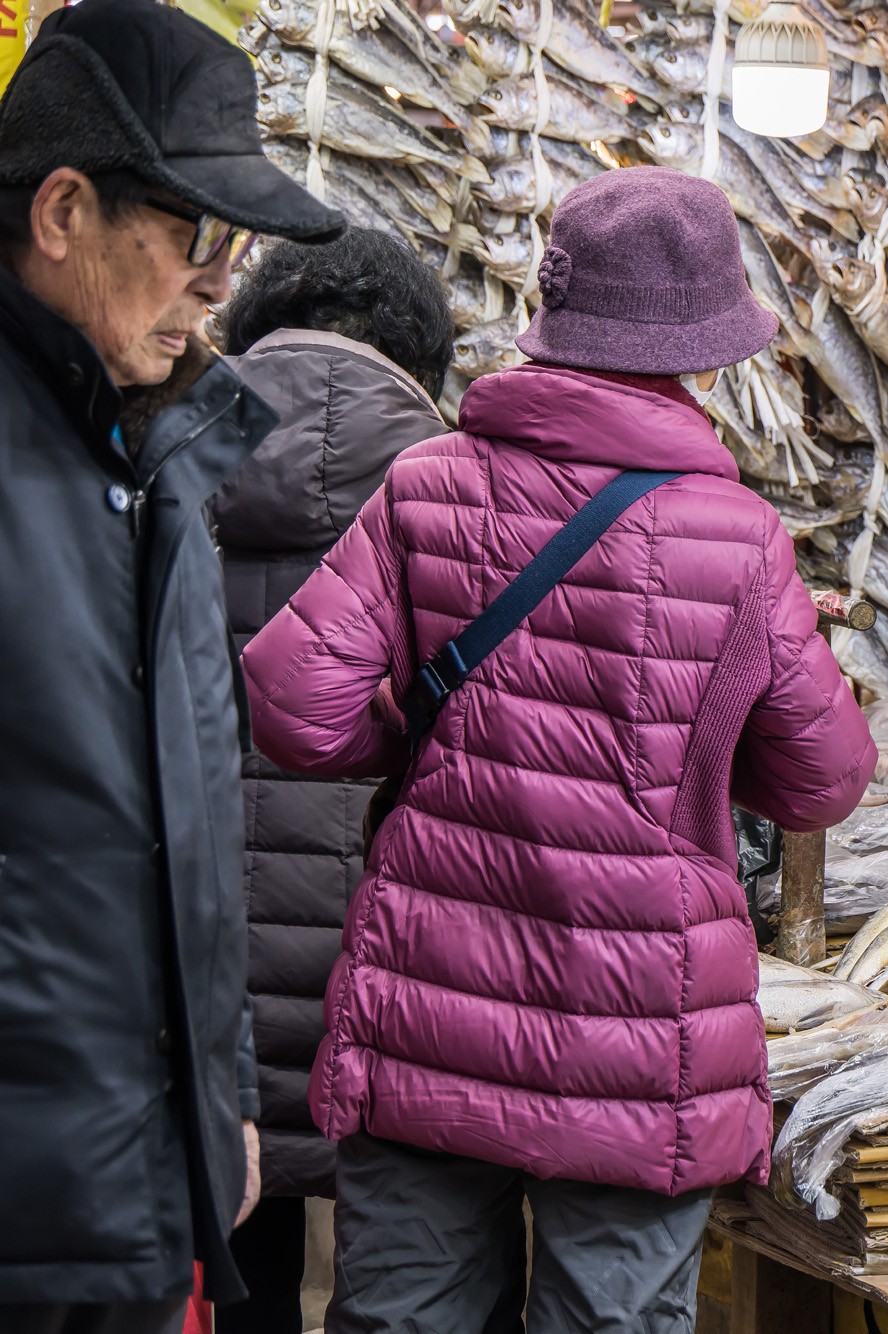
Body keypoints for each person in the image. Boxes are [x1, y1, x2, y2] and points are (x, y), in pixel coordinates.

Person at [240, 167, 875, 1332]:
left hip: (427, 1006)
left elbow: (291, 699)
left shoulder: (427, 483)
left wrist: (420, 735)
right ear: (703, 347)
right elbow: (821, 778)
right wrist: (709, 718)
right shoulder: (738, 541)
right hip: (642, 1034)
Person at [0, 2, 343, 1328]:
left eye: (236, 247)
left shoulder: (158, 459)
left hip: (140, 1186)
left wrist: (221, 1103)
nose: (220, 283)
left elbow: (188, 835)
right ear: (62, 211)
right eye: (197, 235)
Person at [211, 229, 454, 1334]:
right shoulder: (463, 494)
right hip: (389, 990)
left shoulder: (154, 459)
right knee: (398, 1284)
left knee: (233, 1271)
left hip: (198, 985)